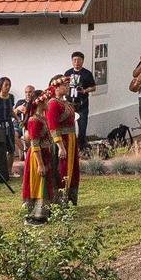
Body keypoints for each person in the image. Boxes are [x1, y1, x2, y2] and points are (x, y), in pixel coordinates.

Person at [21, 89, 59, 224]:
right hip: (37, 156)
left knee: (44, 183)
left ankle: (43, 212)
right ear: (40, 102)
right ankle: (34, 215)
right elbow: (35, 143)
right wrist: (40, 164)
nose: (49, 102)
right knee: (38, 183)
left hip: (44, 153)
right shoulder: (34, 120)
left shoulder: (41, 118)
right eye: (46, 100)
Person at [47, 75, 82, 206]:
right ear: (56, 87)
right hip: (62, 141)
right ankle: (60, 201)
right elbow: (53, 126)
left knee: (72, 170)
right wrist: (61, 146)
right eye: (65, 85)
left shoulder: (65, 102)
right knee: (62, 170)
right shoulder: (53, 103)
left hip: (71, 140)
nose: (67, 87)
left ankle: (70, 200)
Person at [64, 51, 98, 147]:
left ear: (82, 61)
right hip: (70, 104)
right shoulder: (68, 73)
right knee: (69, 127)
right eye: (74, 60)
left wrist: (85, 91)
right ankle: (71, 146)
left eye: (79, 60)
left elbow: (93, 87)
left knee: (82, 126)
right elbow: (64, 86)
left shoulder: (87, 74)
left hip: (82, 104)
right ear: (72, 61)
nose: (76, 63)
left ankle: (82, 146)